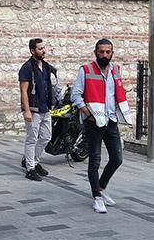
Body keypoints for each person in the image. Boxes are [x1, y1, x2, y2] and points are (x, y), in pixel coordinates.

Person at [71, 38, 132, 214]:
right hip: (94, 122)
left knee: (117, 159)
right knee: (95, 161)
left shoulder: (115, 70)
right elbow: (76, 95)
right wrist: (87, 114)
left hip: (111, 121)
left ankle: (102, 188)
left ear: (112, 53)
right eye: (101, 52)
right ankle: (97, 198)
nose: (105, 55)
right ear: (95, 52)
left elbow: (117, 92)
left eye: (108, 52)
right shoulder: (86, 70)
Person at [18, 38, 56, 182]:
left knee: (46, 136)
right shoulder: (27, 68)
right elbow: (23, 91)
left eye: (44, 48)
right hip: (33, 110)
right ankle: (30, 169)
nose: (43, 50)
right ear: (33, 51)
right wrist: (26, 110)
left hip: (45, 108)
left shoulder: (46, 66)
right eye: (40, 49)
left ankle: (33, 160)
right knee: (31, 139)